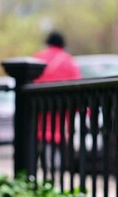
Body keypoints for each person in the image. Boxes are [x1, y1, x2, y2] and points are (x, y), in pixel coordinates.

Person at [33, 31, 82, 170]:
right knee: (55, 138)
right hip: (60, 109)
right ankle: (53, 173)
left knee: (39, 136)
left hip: (39, 107)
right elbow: (76, 87)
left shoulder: (38, 58)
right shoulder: (68, 60)